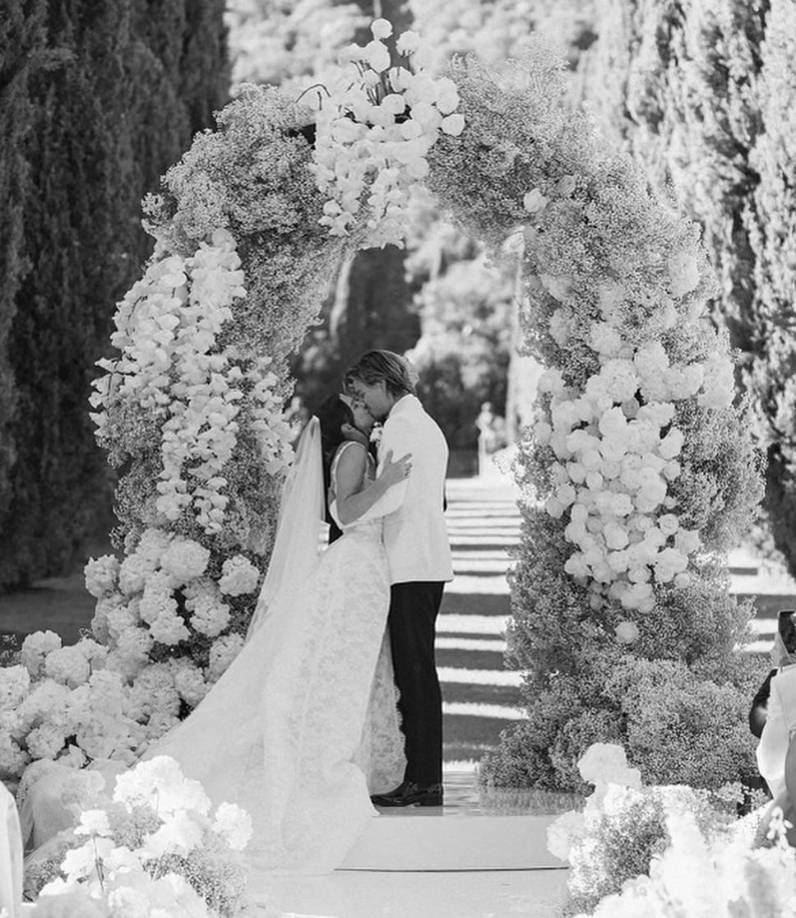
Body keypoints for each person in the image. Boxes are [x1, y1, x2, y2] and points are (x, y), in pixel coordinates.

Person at [344, 350, 453, 807]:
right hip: (425, 559)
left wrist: (355, 515)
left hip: (410, 563)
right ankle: (423, 777)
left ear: (384, 383)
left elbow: (392, 498)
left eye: (366, 390)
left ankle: (424, 780)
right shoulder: (424, 424)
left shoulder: (403, 427)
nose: (364, 400)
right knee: (417, 672)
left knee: (415, 674)